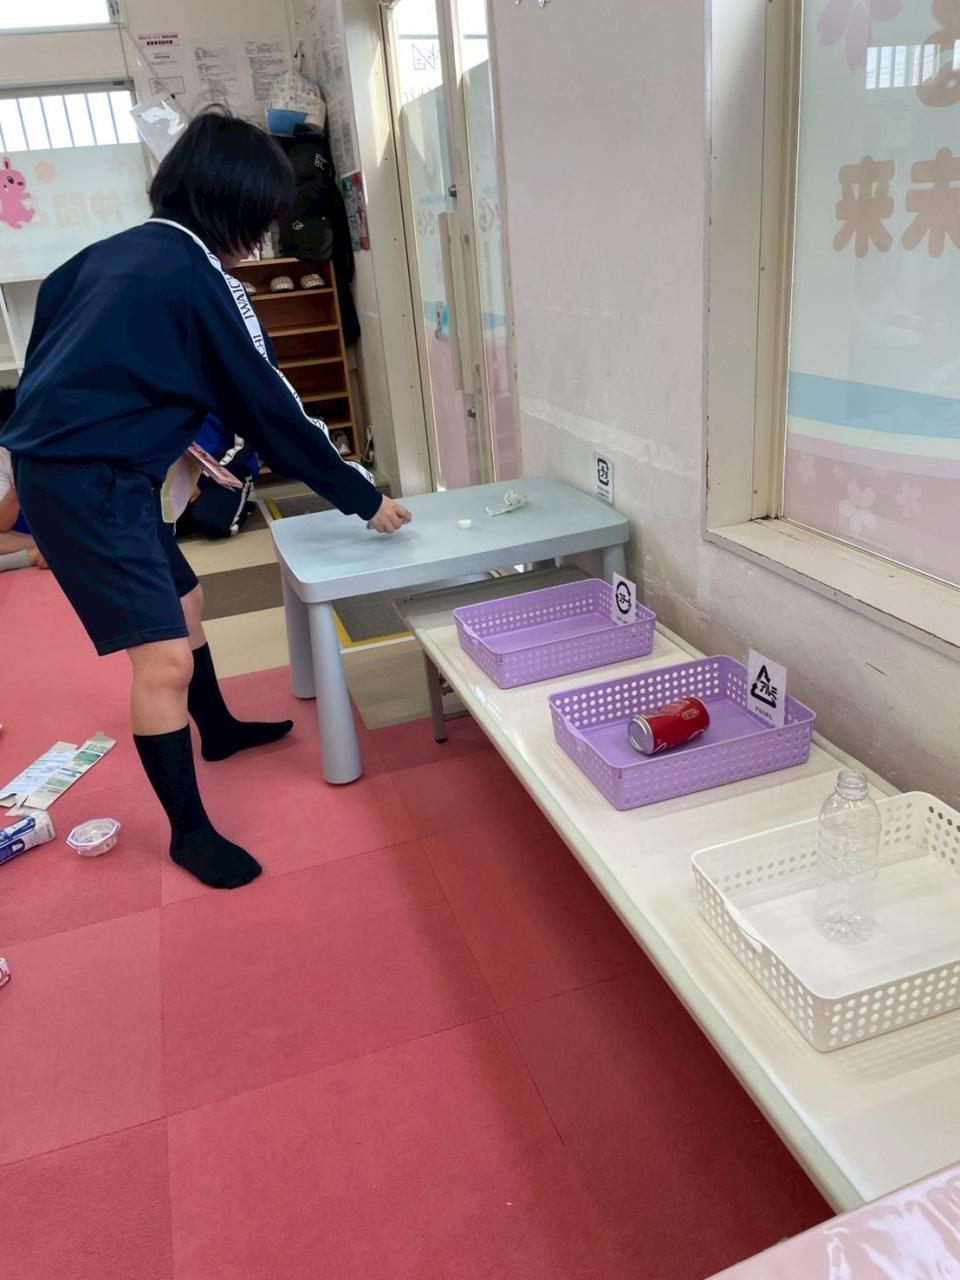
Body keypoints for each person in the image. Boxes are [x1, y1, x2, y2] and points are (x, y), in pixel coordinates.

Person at [2, 112, 412, 890]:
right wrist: (363, 498)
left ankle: (216, 728)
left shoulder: (103, 256)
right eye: (264, 216)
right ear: (235, 204)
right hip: (89, 481)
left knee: (186, 602)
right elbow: (269, 404)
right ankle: (189, 836)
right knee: (159, 661)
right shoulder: (199, 276)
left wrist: (161, 428)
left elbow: (65, 363)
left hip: (87, 465)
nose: (262, 236)